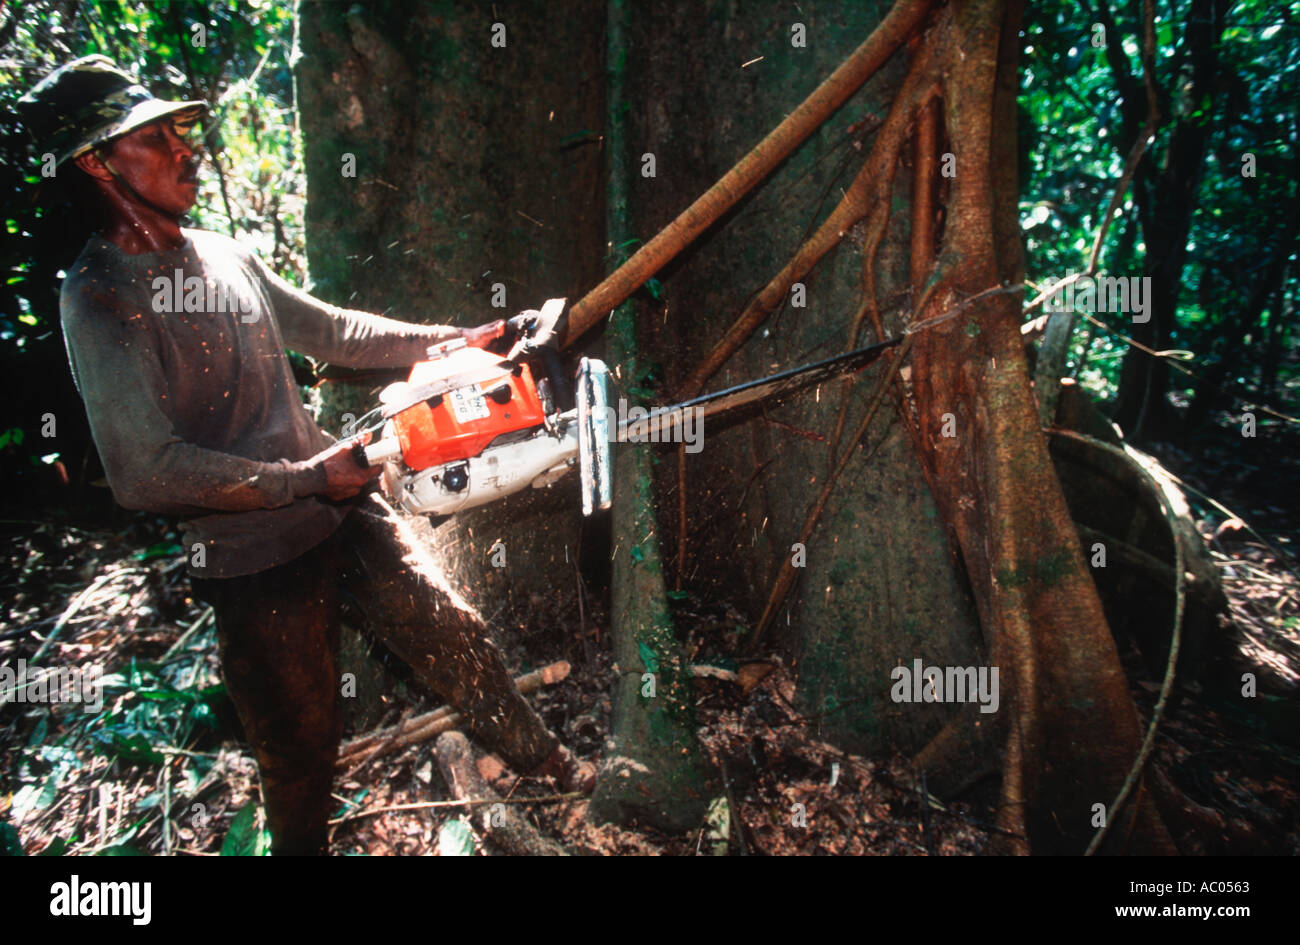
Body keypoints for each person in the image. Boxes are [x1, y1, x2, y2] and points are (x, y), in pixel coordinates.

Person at [18, 56, 594, 855]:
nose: (187, 148)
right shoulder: (99, 296)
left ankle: (548, 759)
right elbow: (143, 469)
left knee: (454, 632)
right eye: (156, 136)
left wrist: (460, 341)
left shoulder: (220, 252)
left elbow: (333, 333)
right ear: (96, 161)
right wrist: (303, 478)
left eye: (180, 129)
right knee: (299, 751)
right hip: (253, 562)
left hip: (339, 509)